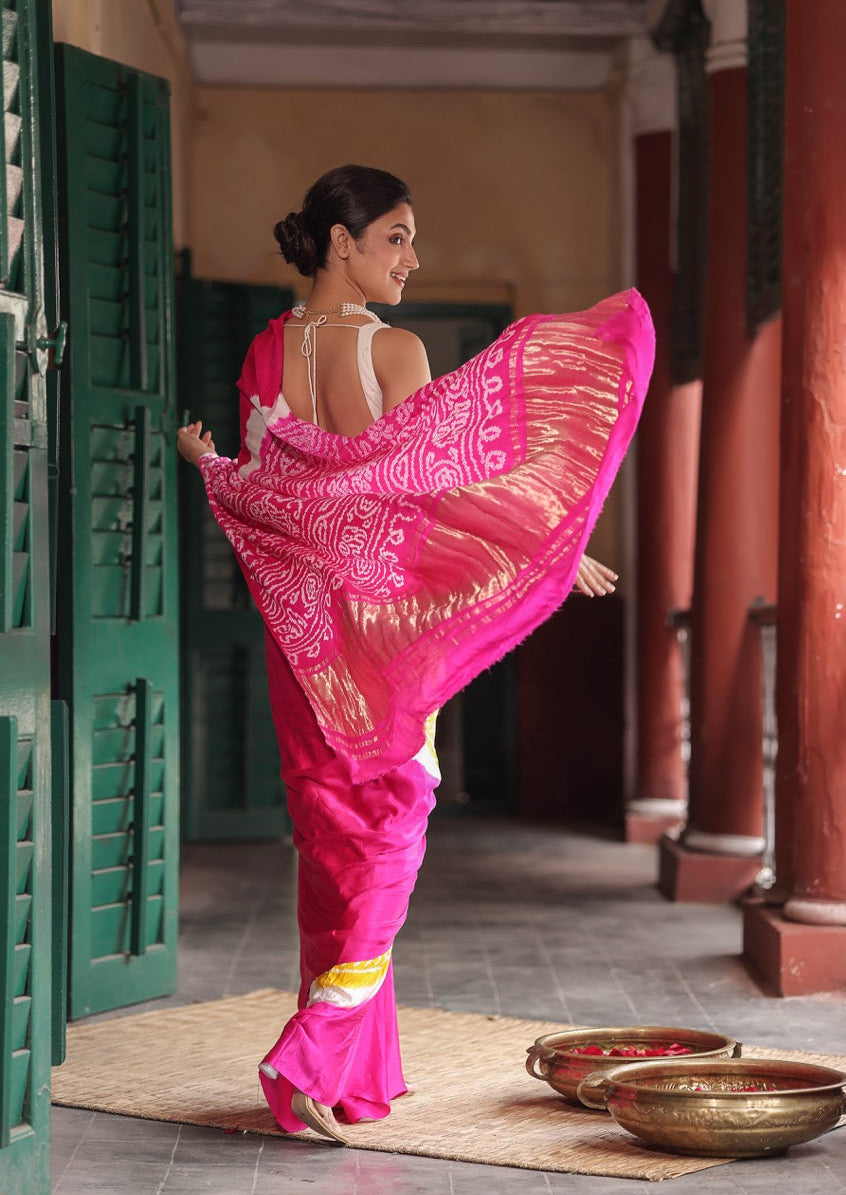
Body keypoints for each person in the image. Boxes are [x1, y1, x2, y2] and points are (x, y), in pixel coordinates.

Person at [177, 164, 654, 1144]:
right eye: (395, 237)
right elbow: (437, 491)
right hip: (375, 639)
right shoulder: (394, 351)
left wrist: (208, 467)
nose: (412, 257)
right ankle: (313, 1045)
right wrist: (548, 550)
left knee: (328, 845)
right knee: (388, 831)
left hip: (299, 637)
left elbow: (280, 497)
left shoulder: (266, 351)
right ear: (341, 244)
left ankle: (351, 1080)